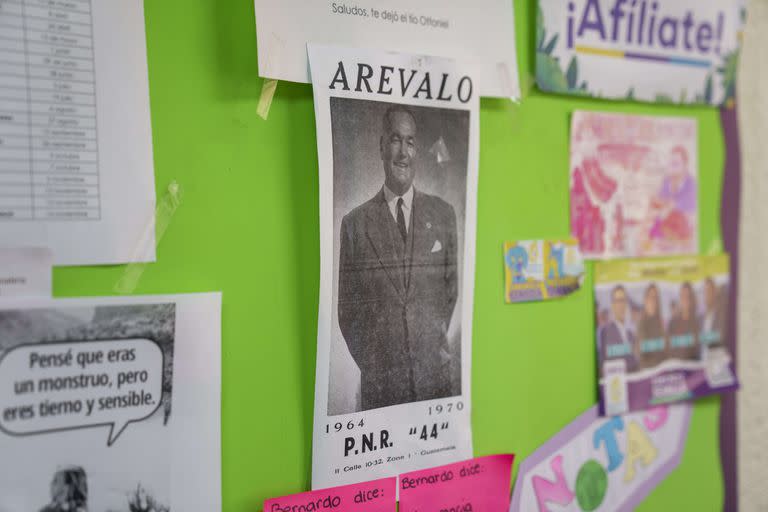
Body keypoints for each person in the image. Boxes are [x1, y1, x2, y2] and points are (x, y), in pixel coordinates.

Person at [338, 105, 458, 411]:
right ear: (381, 147)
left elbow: (449, 294)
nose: (403, 152)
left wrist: (425, 352)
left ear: (417, 150)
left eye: (410, 142)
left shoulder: (443, 215)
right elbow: (348, 314)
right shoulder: (355, 224)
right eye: (395, 140)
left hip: (436, 387)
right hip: (382, 395)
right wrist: (381, 369)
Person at [598, 285, 637, 372]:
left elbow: (634, 361)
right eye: (618, 301)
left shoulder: (630, 334)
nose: (621, 305)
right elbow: (604, 364)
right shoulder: (605, 331)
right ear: (612, 305)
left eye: (623, 301)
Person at [636, 283, 667, 369]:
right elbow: (641, 352)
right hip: (648, 372)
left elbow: (666, 349)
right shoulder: (641, 323)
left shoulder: (661, 322)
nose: (653, 301)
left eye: (655, 297)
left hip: (662, 369)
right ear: (645, 300)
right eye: (650, 297)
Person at [667, 282, 700, 360]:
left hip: (692, 364)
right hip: (676, 364)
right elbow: (669, 347)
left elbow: (698, 347)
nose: (685, 299)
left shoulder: (697, 321)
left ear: (692, 298)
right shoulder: (673, 322)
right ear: (680, 298)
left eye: (688, 296)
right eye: (683, 296)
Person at [700, 277, 726, 349]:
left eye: (709, 291)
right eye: (705, 292)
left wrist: (700, 338)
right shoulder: (701, 318)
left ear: (715, 292)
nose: (707, 295)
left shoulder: (721, 315)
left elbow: (720, 335)